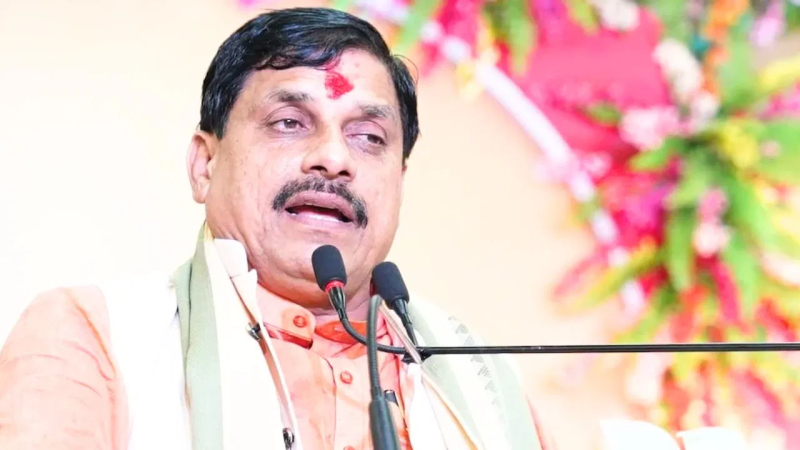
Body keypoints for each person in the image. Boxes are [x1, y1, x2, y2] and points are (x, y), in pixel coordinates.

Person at [0, 7, 554, 450]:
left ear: (400, 181)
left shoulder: (479, 385)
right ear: (204, 164)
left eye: (368, 137)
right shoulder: (98, 334)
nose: (334, 158)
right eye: (290, 122)